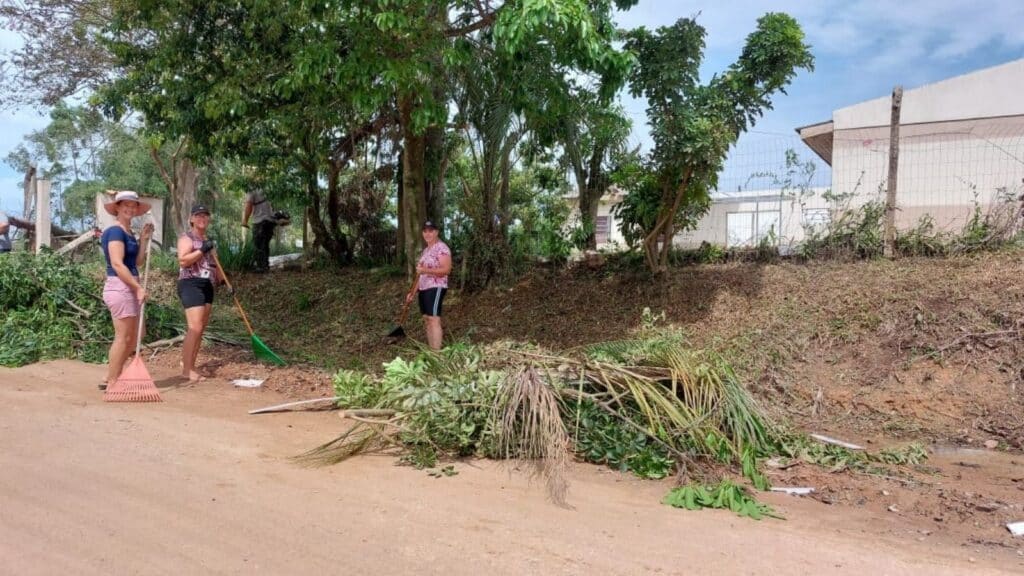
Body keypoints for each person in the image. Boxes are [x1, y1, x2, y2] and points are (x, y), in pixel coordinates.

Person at [100, 191, 154, 390]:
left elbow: (137, 262)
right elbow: (117, 263)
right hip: (120, 286)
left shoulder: (128, 232)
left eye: (134, 206)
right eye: (126, 205)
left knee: (137, 334)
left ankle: (112, 374)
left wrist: (143, 240)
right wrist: (137, 288)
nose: (130, 209)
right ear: (117, 207)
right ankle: (114, 381)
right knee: (123, 337)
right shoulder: (115, 231)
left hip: (130, 284)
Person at [177, 204, 221, 383]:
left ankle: (191, 365)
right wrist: (202, 249)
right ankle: (186, 370)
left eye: (205, 215)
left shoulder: (208, 240)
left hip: (207, 284)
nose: (202, 218)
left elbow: (215, 264)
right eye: (198, 215)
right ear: (192, 219)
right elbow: (183, 261)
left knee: (200, 329)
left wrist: (223, 280)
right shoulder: (187, 238)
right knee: (194, 327)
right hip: (190, 283)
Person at [407, 220, 452, 350]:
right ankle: (432, 352)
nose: (427, 234)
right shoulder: (426, 251)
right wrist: (412, 292)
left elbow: (446, 270)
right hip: (424, 288)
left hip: (436, 287)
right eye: (425, 231)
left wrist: (425, 270)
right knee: (427, 319)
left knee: (434, 319)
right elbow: (420, 276)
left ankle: (437, 355)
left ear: (436, 232)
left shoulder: (442, 248)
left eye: (431, 231)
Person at [242, 186, 275, 273]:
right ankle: (265, 266)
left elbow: (248, 205)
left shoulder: (252, 189)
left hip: (260, 221)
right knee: (265, 245)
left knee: (258, 245)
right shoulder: (267, 188)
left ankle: (261, 267)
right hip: (270, 221)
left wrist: (245, 220)